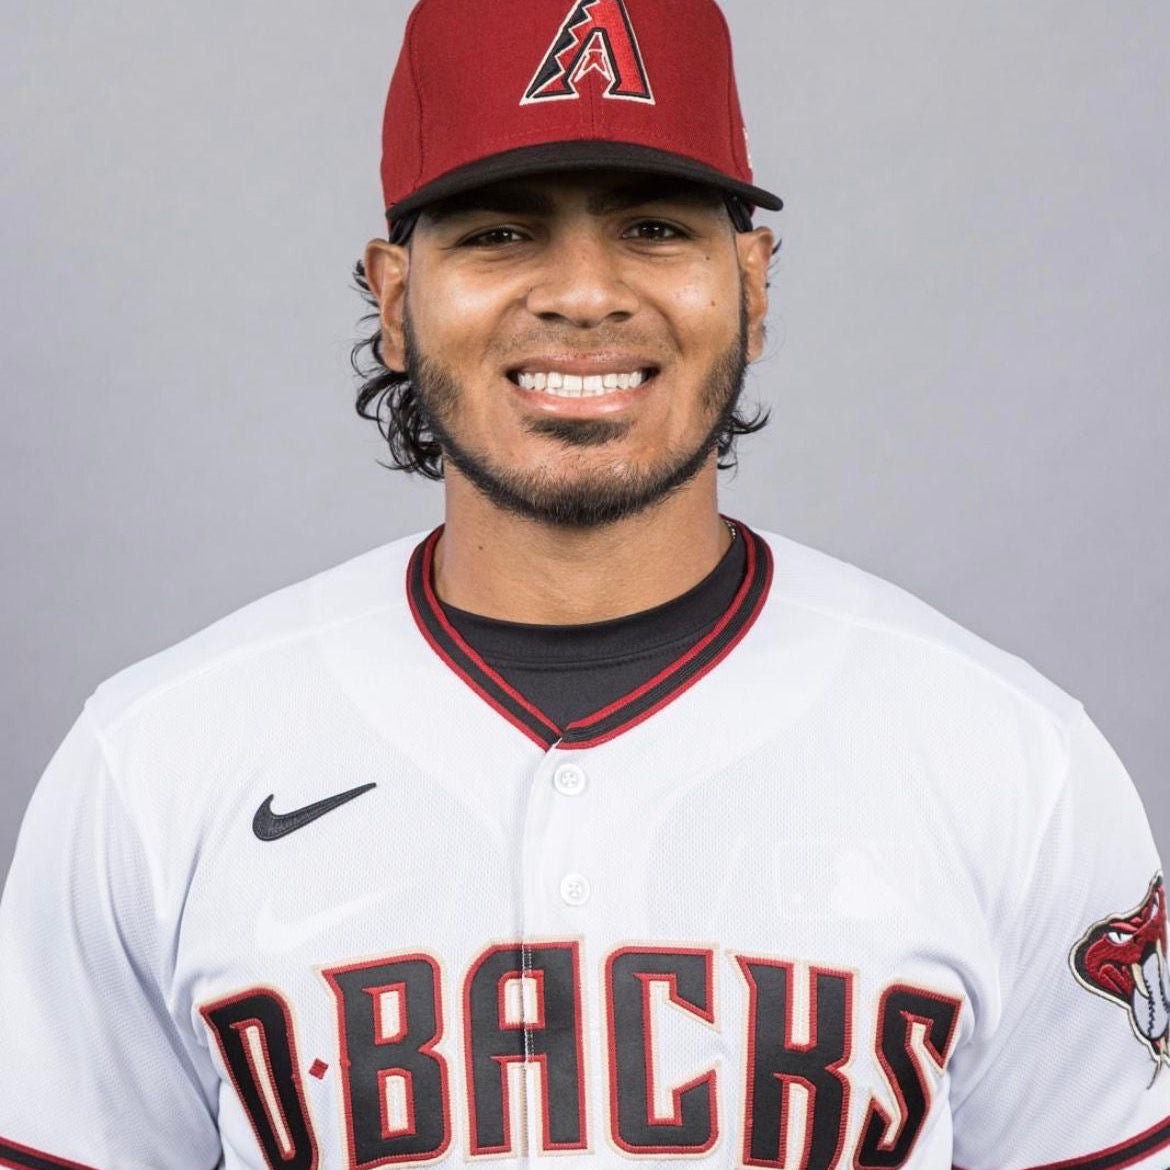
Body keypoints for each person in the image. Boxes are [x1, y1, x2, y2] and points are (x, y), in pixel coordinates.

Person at [2, 0, 1167, 1166]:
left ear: (753, 284)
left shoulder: (1011, 760)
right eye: (501, 232)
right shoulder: (157, 762)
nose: (584, 294)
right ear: (396, 299)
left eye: (654, 227)